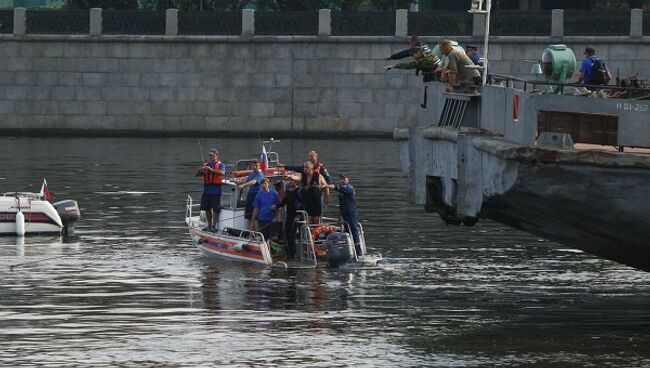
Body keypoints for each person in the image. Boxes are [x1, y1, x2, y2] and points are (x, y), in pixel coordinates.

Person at [327, 174, 362, 257]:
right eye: (341, 179)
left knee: (354, 231)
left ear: (348, 179)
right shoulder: (342, 191)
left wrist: (326, 185)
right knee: (347, 232)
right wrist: (341, 216)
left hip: (351, 213)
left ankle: (358, 253)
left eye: (344, 179)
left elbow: (336, 188)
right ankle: (350, 252)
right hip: (345, 213)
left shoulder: (349, 188)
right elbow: (342, 204)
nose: (342, 180)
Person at [195, 149, 226, 231]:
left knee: (215, 209)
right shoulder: (206, 165)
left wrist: (211, 170)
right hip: (206, 191)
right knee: (207, 208)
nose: (210, 156)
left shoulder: (221, 165)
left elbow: (222, 173)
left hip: (216, 191)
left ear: (216, 155)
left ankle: (214, 226)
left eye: (212, 155)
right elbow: (196, 175)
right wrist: (200, 170)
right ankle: (209, 225)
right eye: (209, 155)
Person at [276, 180, 303, 260]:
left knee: (293, 235)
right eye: (290, 181)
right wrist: (277, 206)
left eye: (292, 181)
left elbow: (303, 204)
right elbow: (284, 202)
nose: (290, 182)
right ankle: (290, 253)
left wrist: (299, 215)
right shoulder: (289, 191)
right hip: (289, 216)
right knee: (288, 234)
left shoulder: (299, 191)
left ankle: (294, 254)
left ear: (296, 182)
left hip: (296, 215)